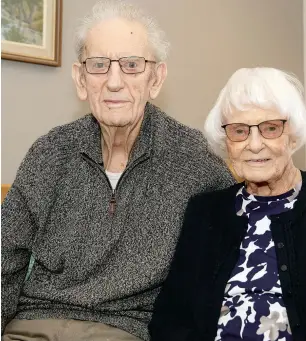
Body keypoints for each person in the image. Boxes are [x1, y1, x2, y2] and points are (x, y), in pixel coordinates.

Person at [1, 1, 235, 340]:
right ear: (80, 80)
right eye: (98, 65)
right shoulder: (49, 153)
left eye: (131, 65)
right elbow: (4, 258)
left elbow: (239, 245)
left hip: (123, 330)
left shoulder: (194, 158)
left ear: (156, 79)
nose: (114, 82)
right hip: (33, 325)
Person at [149, 67, 306, 341]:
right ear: (226, 142)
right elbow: (171, 316)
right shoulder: (205, 212)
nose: (254, 144)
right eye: (239, 131)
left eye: (270, 128)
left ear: (293, 134)